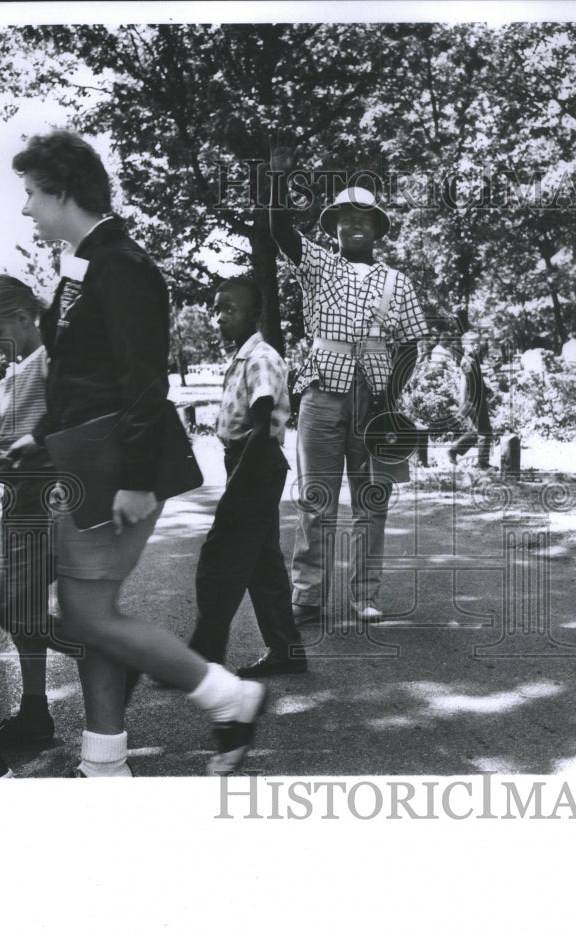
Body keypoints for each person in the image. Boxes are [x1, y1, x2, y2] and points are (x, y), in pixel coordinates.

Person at [10, 129, 266, 776]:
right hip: (85, 459)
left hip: (116, 467)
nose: (26, 209)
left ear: (64, 194)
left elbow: (144, 381)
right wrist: (35, 438)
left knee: (85, 611)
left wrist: (132, 481)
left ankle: (227, 696)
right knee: (92, 615)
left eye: (32, 195)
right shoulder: (86, 261)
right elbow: (81, 374)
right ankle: (104, 761)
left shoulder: (121, 264)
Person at [269, 147, 429, 625]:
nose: (354, 225)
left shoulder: (397, 283)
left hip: (375, 401)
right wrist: (278, 183)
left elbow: (410, 346)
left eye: (364, 218)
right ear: (333, 226)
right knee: (316, 500)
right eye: (345, 217)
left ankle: (364, 595)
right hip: (321, 394)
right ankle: (307, 595)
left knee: (370, 503)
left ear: (378, 229)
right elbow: (280, 231)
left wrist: (391, 398)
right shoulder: (318, 265)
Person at [189, 277, 307, 678]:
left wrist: (239, 482)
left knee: (219, 560)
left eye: (230, 309)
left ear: (254, 314)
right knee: (263, 564)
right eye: (216, 308)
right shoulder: (244, 357)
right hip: (249, 462)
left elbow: (261, 425)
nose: (219, 317)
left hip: (254, 463)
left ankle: (202, 659)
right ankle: (287, 650)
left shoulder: (260, 358)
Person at [0, 276, 59, 746]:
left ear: (23, 317)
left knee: (13, 610)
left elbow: (59, 432)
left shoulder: (51, 362)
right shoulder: (13, 374)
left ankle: (114, 647)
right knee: (24, 615)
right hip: (17, 502)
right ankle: (36, 712)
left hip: (46, 502)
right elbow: (0, 442)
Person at [447, 331, 493, 468]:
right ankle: (482, 463)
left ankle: (454, 451)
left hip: (476, 399)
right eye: (472, 343)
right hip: (473, 401)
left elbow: (478, 381)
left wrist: (487, 391)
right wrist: (465, 402)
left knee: (476, 431)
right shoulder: (468, 361)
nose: (476, 346)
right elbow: (465, 383)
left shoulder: (472, 359)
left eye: (477, 343)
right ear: (465, 345)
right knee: (483, 431)